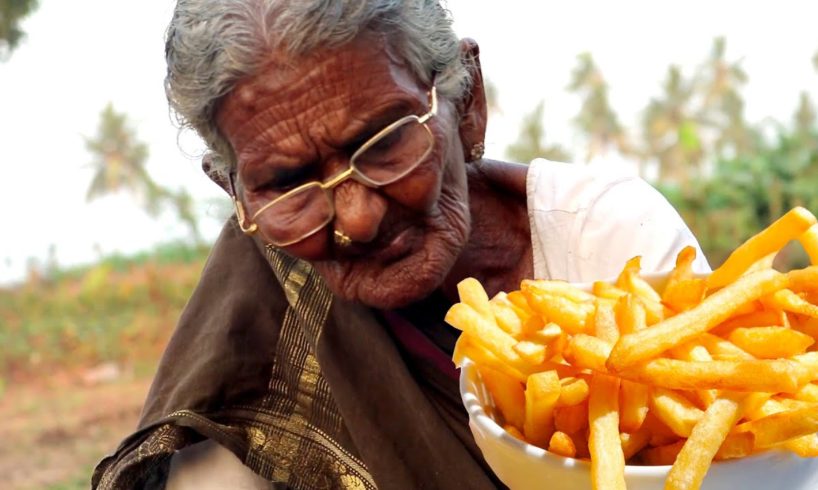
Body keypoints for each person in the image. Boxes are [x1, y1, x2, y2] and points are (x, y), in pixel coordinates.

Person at [93, 1, 709, 488]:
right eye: (287, 182)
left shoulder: (608, 237)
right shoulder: (263, 316)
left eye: (384, 143)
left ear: (466, 103)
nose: (356, 218)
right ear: (235, 192)